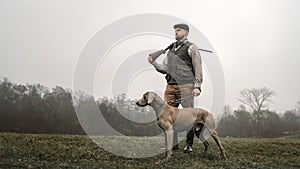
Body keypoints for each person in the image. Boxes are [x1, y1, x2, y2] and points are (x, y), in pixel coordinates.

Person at [148, 23, 203, 153]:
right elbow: (165, 69)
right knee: (168, 117)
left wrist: (197, 86)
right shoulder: (171, 50)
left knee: (189, 116)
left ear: (186, 32)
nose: (176, 32)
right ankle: (172, 145)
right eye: (175, 30)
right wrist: (154, 63)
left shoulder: (192, 47)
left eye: (178, 30)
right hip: (170, 86)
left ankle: (189, 145)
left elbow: (198, 68)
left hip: (186, 86)